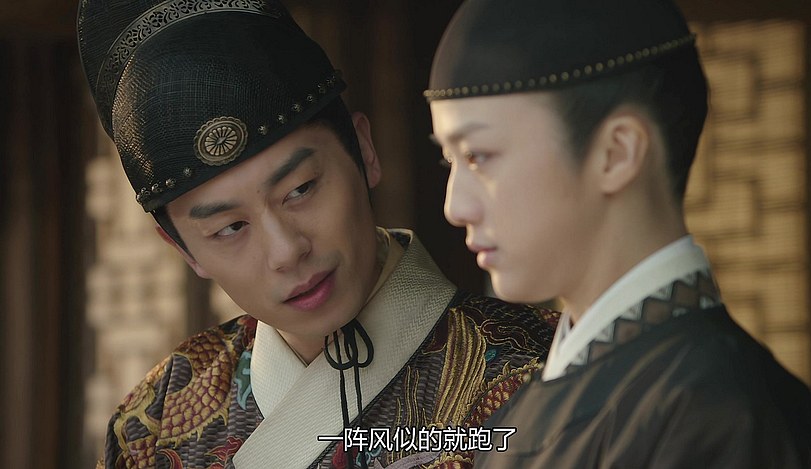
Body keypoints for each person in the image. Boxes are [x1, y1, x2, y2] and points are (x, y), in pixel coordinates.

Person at [77, 1, 558, 468]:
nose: (286, 251)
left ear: (364, 151)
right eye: (230, 228)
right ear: (184, 250)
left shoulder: (547, 371)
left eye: (301, 189)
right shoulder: (152, 424)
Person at [425, 0, 811, 467]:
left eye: (478, 156)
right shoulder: (525, 407)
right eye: (448, 160)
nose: (455, 207)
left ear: (616, 153)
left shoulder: (724, 412)